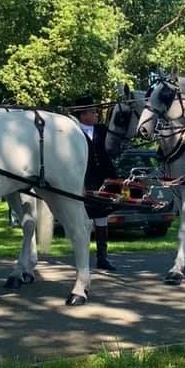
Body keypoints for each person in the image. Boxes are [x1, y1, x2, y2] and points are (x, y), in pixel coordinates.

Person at [73, 95, 119, 271]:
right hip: (83, 179)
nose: (96, 115)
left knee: (102, 218)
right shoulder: (74, 131)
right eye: (93, 112)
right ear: (83, 114)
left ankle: (103, 257)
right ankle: (82, 258)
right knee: (83, 219)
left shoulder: (102, 130)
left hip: (102, 179)